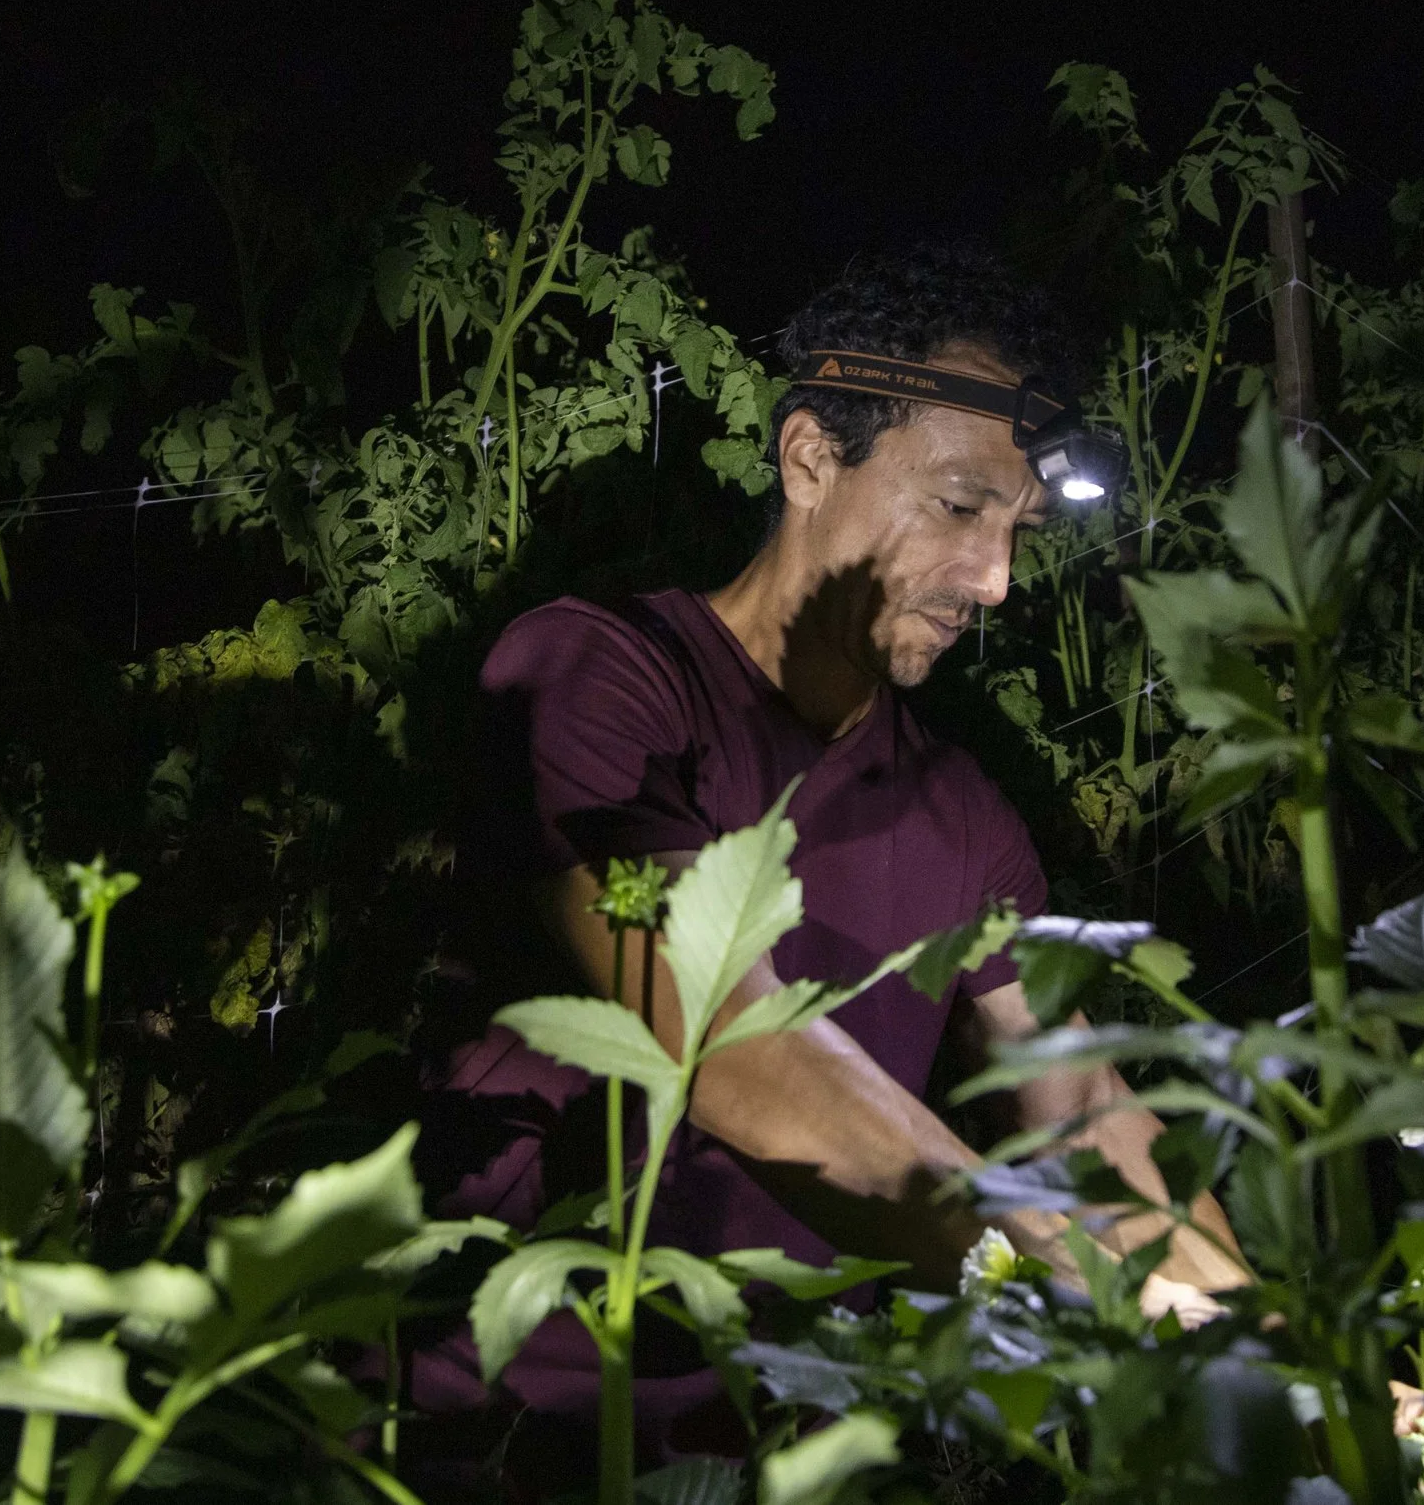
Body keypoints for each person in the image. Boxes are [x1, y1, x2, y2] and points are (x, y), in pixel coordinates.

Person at [409, 244, 1243, 1478]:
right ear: (810, 458)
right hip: (506, 1429)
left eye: (1014, 527)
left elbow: (1081, 1108)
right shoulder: (601, 674)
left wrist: (1277, 1351)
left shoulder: (963, 814)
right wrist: (1083, 1283)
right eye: (959, 507)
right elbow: (731, 1044)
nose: (997, 578)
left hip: (791, 1446)